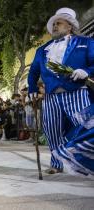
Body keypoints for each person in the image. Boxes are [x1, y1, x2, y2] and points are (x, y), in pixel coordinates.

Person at [28, 8, 94, 174]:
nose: (55, 26)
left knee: (84, 127)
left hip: (77, 92)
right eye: (54, 24)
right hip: (51, 96)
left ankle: (85, 162)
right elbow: (33, 72)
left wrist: (86, 71)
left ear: (70, 26)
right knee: (52, 129)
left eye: (59, 23)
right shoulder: (42, 50)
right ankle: (57, 164)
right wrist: (32, 87)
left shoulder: (85, 43)